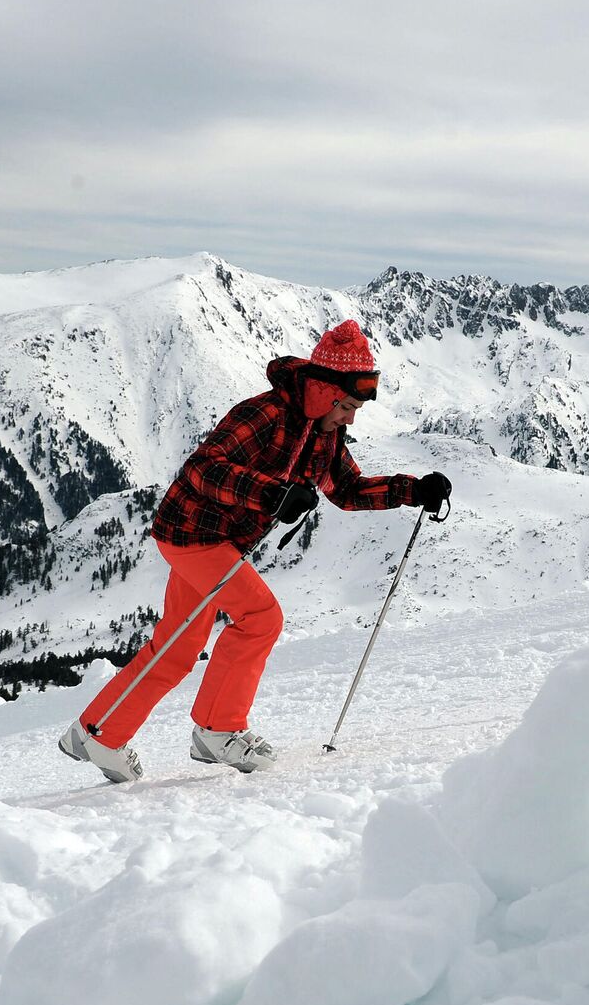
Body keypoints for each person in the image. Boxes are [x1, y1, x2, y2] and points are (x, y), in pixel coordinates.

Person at [58, 319, 451, 782]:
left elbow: (346, 489)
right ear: (324, 393)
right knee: (261, 618)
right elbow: (204, 469)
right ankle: (218, 730)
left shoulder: (324, 431)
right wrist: (270, 495)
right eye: (346, 406)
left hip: (219, 540)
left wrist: (412, 490)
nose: (350, 417)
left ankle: (95, 732)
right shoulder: (264, 414)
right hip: (193, 531)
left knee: (179, 646)